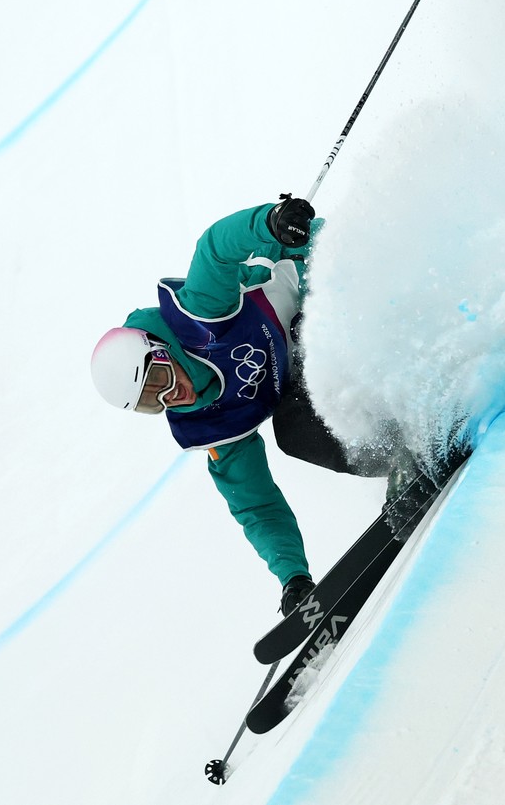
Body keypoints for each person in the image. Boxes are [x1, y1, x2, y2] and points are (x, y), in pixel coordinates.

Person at [89, 196, 351, 617]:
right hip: (313, 357)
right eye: (150, 403)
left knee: (318, 337)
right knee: (299, 435)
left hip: (322, 272)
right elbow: (256, 504)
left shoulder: (201, 314)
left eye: (158, 379)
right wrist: (293, 576)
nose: (168, 396)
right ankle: (402, 450)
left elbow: (214, 247)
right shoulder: (212, 422)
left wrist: (270, 222)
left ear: (160, 350)